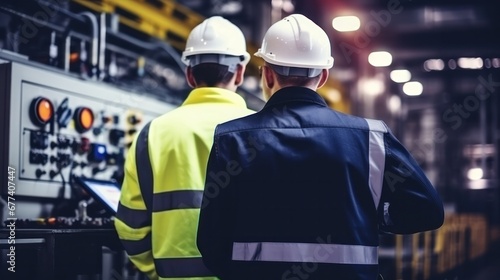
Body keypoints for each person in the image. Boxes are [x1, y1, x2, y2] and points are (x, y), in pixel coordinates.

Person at [197, 14, 444, 280]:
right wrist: (373, 215)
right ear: (324, 76)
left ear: (267, 74)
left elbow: (210, 242)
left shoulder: (231, 138)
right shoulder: (372, 136)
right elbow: (428, 211)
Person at [115, 16, 255, 280]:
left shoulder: (152, 134)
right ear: (239, 72)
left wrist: (158, 271)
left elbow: (129, 227)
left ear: (189, 74)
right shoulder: (261, 132)